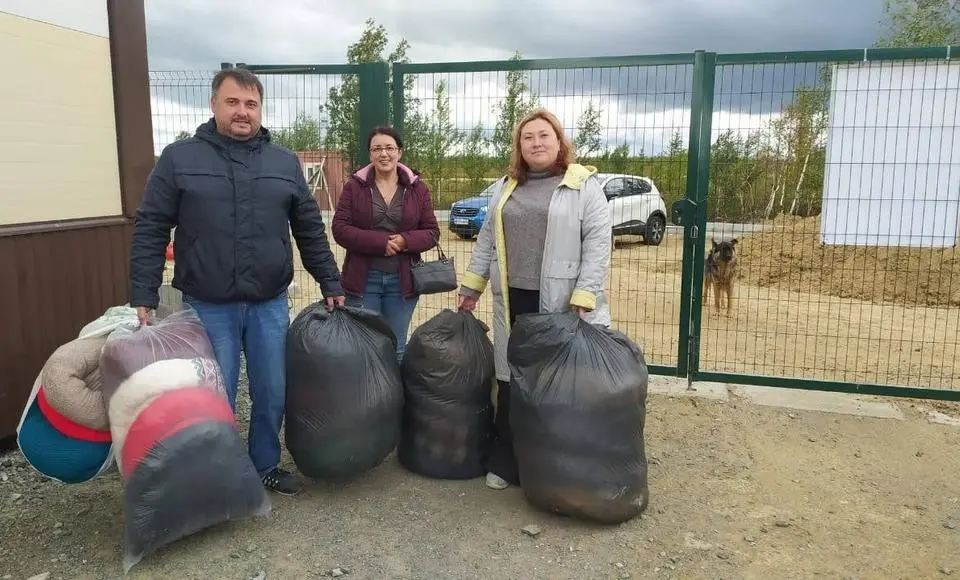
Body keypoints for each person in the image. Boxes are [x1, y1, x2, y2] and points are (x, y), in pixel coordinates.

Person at [128, 67, 345, 496]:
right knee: (214, 394)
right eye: (233, 102)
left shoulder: (283, 163)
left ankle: (264, 464)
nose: (242, 112)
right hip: (208, 305)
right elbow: (151, 225)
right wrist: (143, 290)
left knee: (272, 391)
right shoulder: (180, 158)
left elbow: (309, 229)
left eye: (251, 104)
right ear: (213, 105)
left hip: (268, 302)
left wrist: (330, 282)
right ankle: (219, 475)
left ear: (261, 109)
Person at [456, 108, 612, 491]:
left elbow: (598, 242)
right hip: (512, 297)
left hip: (561, 299)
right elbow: (487, 241)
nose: (536, 143)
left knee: (556, 382)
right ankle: (507, 461)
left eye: (544, 135)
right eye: (528, 138)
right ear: (519, 146)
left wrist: (586, 292)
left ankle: (554, 462)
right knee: (511, 380)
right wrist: (471, 288)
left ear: (559, 142)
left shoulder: (582, 184)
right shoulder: (506, 186)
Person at [331, 126, 440, 360]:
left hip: (402, 282)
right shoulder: (354, 187)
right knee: (364, 346)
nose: (384, 154)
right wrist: (380, 242)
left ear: (399, 152)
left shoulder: (417, 188)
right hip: (363, 279)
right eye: (377, 149)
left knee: (396, 345)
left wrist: (404, 241)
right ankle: (368, 397)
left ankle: (395, 397)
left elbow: (432, 232)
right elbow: (339, 229)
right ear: (370, 155)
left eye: (389, 148)